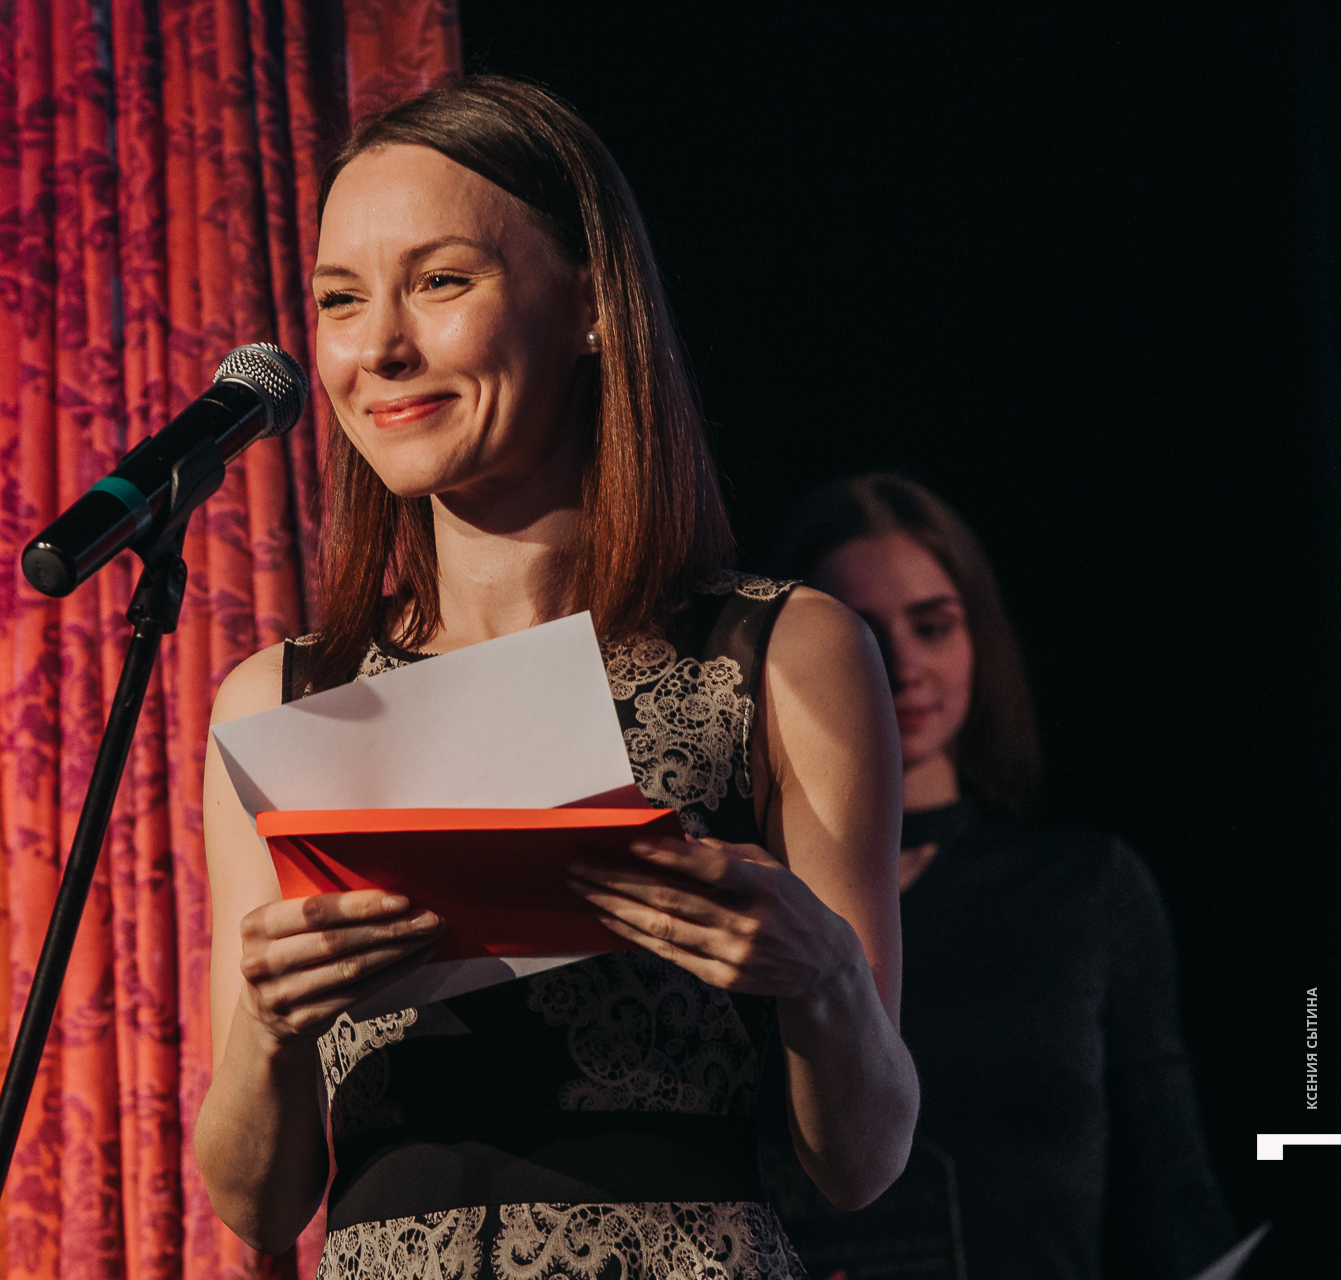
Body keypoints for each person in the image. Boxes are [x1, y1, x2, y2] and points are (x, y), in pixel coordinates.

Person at [191, 77, 920, 1280]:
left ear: (589, 305)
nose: (380, 347)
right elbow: (256, 1203)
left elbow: (863, 1160)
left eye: (440, 281)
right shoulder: (286, 696)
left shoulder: (780, 651)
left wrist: (826, 974)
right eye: (339, 298)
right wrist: (269, 1023)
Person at [764, 473, 1235, 1280]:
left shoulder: (1086, 890)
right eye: (860, 635)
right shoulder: (754, 903)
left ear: (979, 637)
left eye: (932, 626)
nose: (902, 665)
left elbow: (1174, 1197)